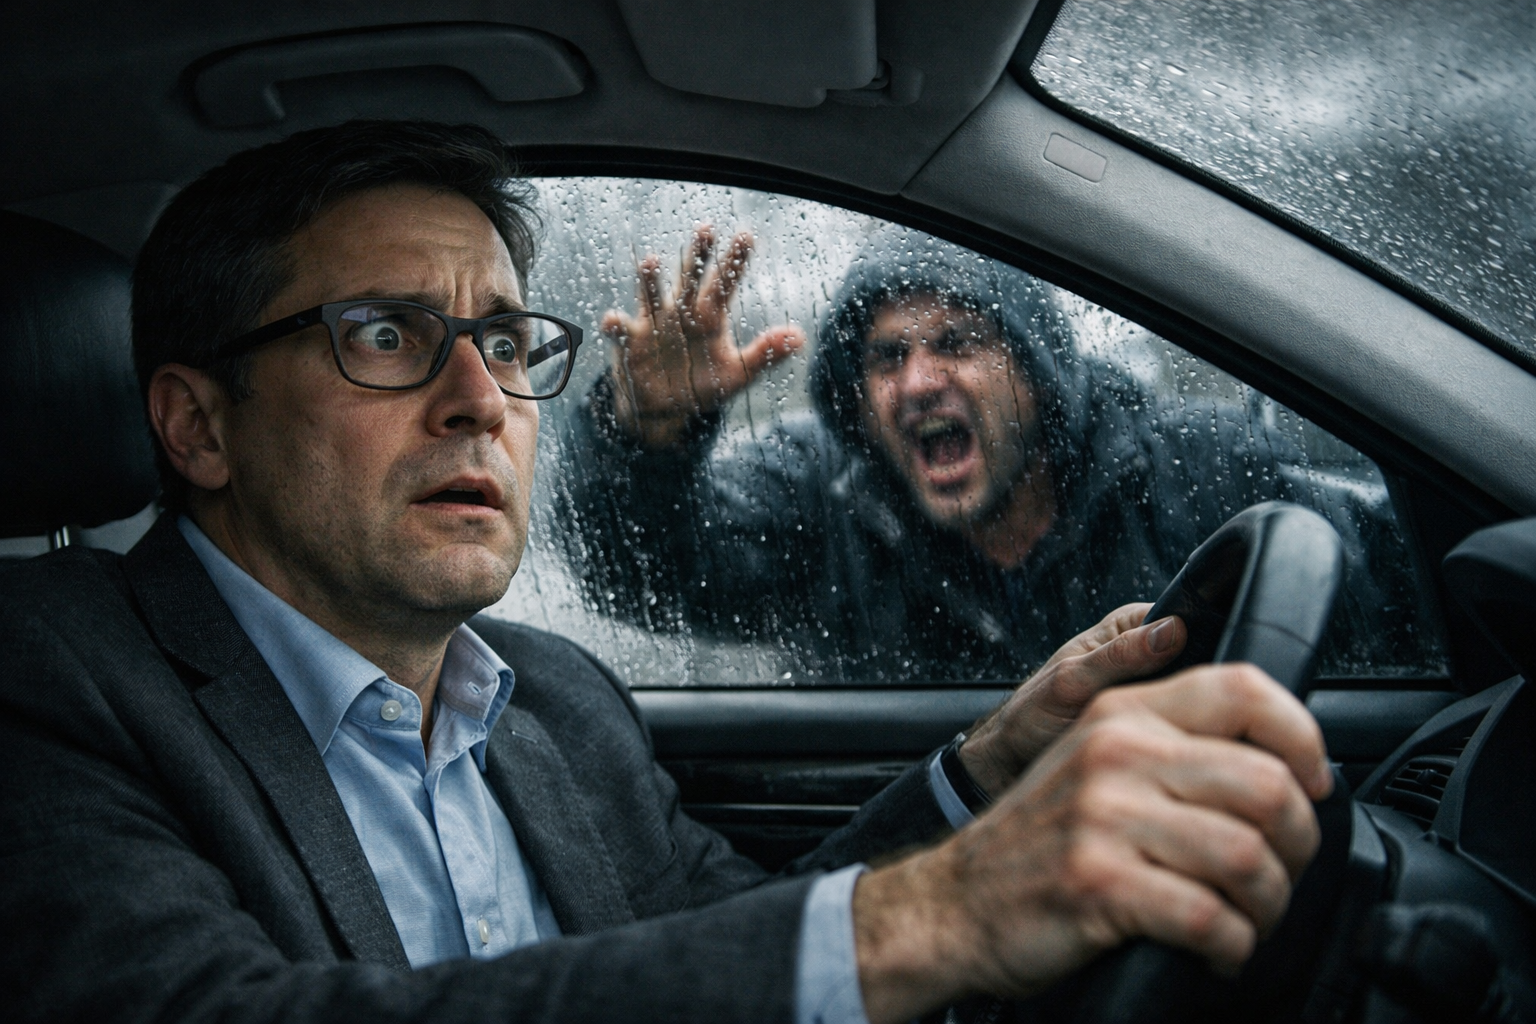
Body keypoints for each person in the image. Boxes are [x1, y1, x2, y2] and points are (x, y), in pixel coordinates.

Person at [0, 121, 1334, 1024]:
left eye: (509, 340)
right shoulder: (47, 681)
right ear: (198, 425)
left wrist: (986, 763)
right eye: (388, 334)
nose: (482, 397)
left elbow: (742, 933)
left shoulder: (553, 700)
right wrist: (928, 918)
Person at [561, 224, 1412, 680]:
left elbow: (1403, 586)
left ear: (1037, 372)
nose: (918, 381)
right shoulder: (825, 489)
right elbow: (635, 574)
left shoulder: (1205, 468)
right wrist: (644, 441)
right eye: (887, 357)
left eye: (957, 342)